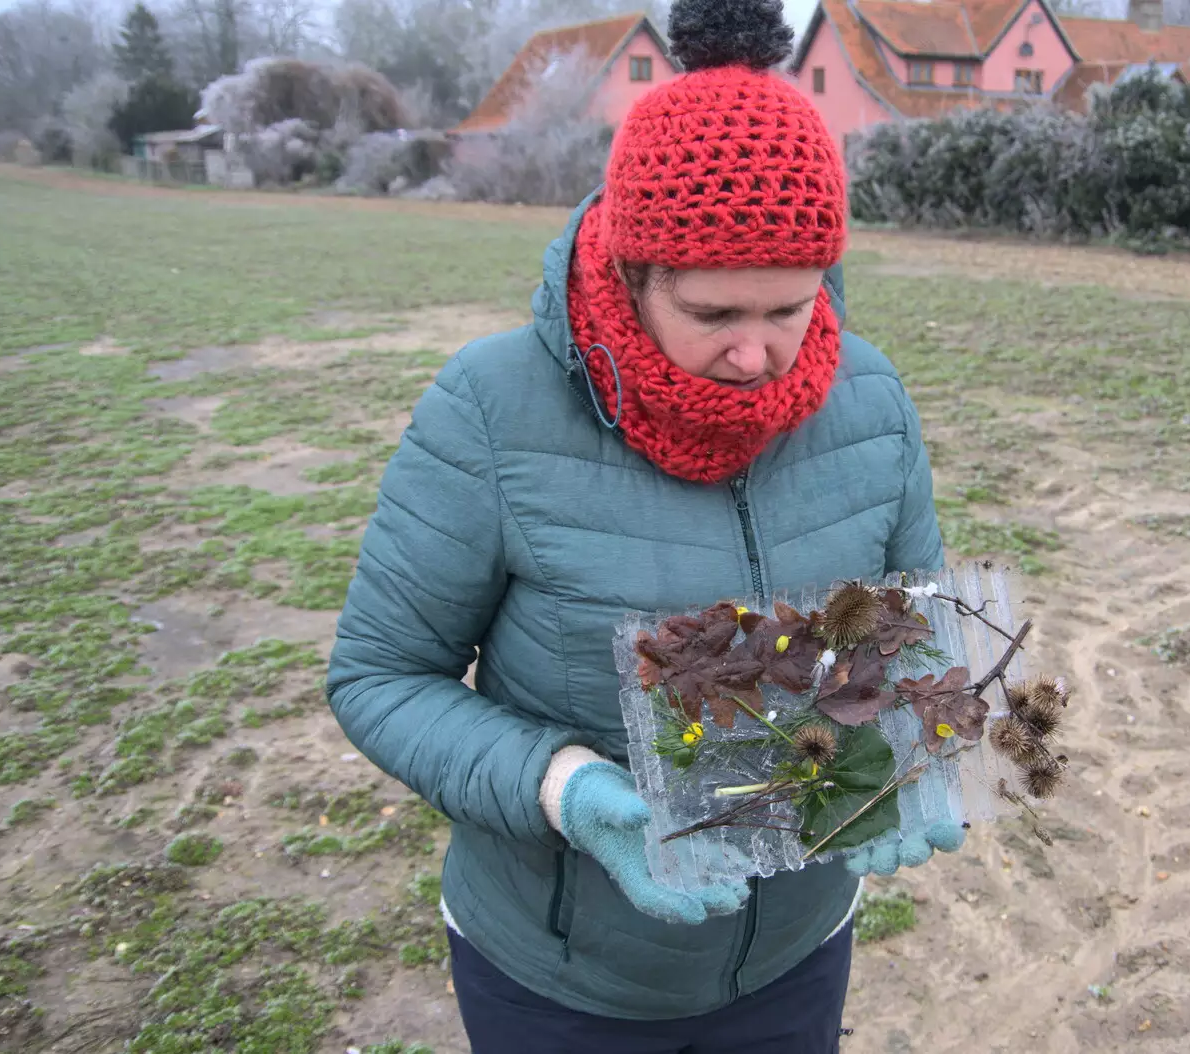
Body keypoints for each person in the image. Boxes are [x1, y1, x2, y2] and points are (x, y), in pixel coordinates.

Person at [325, 0, 962, 1049]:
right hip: (564, 970)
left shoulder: (873, 398)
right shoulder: (491, 408)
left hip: (796, 950)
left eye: (791, 307)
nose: (757, 355)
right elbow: (380, 676)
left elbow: (912, 626)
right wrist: (567, 792)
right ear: (629, 271)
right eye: (713, 314)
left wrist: (919, 742)